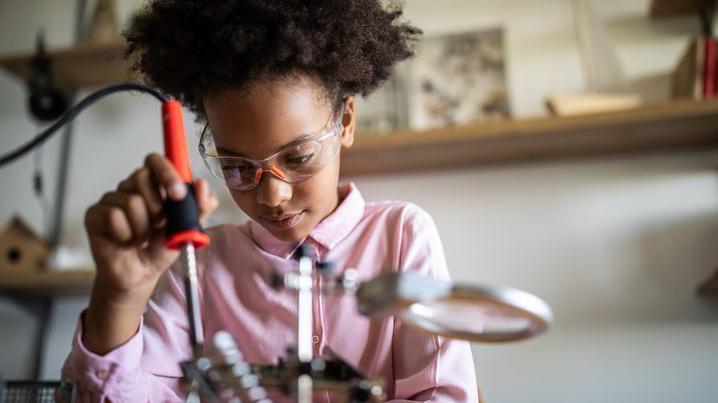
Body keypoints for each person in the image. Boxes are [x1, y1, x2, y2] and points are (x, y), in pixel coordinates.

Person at [61, 0, 479, 401]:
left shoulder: (402, 235)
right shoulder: (199, 266)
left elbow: (444, 396)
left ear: (346, 122)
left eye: (298, 157)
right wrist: (118, 298)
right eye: (237, 166)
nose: (271, 194)